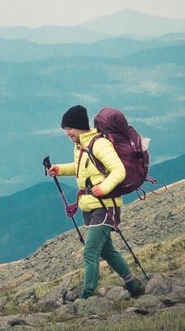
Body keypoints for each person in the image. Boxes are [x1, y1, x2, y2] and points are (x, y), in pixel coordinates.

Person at [47, 104, 145, 299]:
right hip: (89, 206)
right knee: (107, 250)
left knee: (90, 251)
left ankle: (87, 293)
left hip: (106, 205)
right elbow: (81, 167)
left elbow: (118, 170)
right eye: (65, 129)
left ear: (79, 126)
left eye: (69, 128)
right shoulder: (80, 146)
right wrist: (59, 169)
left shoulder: (99, 144)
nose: (67, 133)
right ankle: (133, 285)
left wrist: (103, 188)